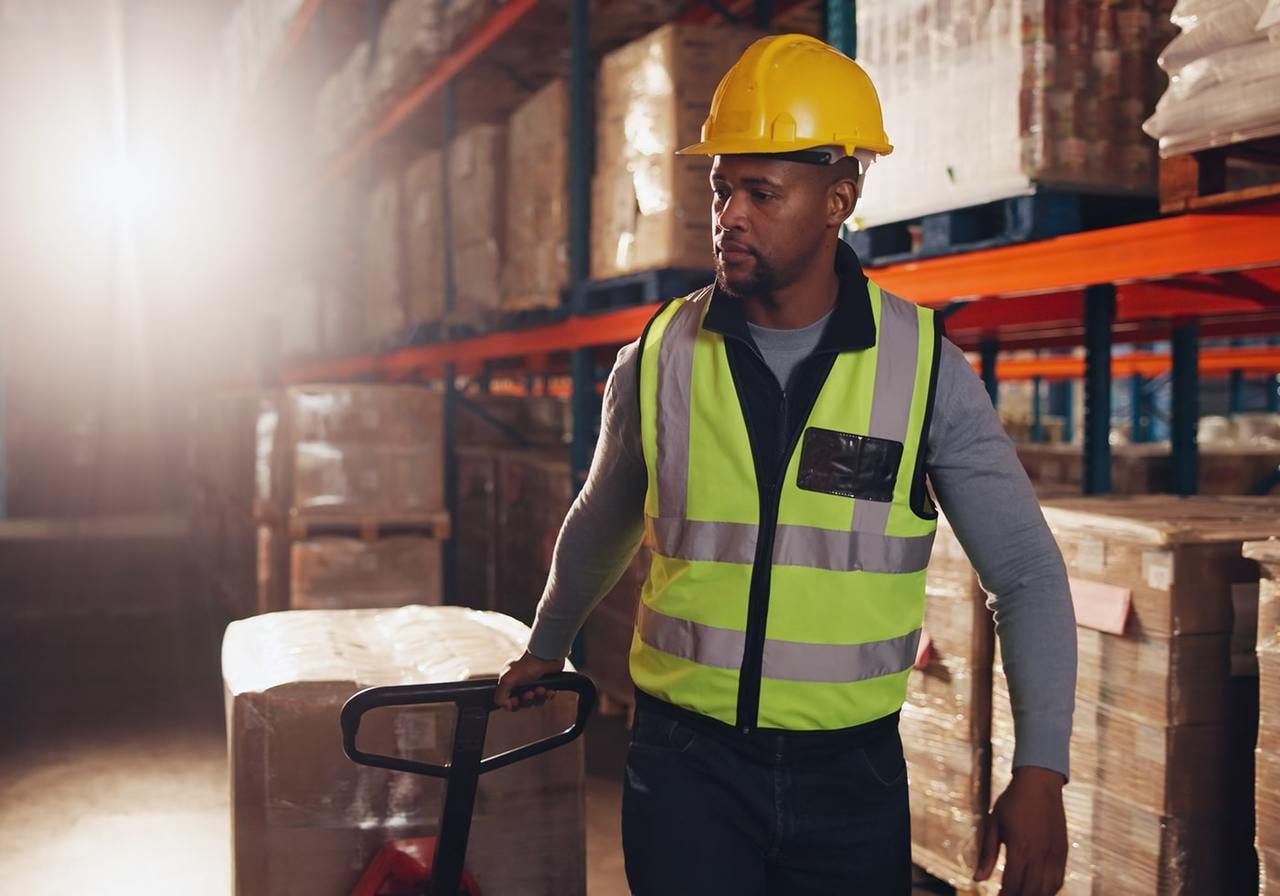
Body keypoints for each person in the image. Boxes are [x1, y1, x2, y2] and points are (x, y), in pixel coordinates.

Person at [496, 34, 1076, 896]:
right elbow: (605, 514)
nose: (729, 214)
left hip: (851, 777)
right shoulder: (661, 355)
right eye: (721, 187)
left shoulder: (921, 369)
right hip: (685, 764)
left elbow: (1024, 572)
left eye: (760, 192)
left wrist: (1040, 772)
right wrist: (548, 644)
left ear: (839, 198)